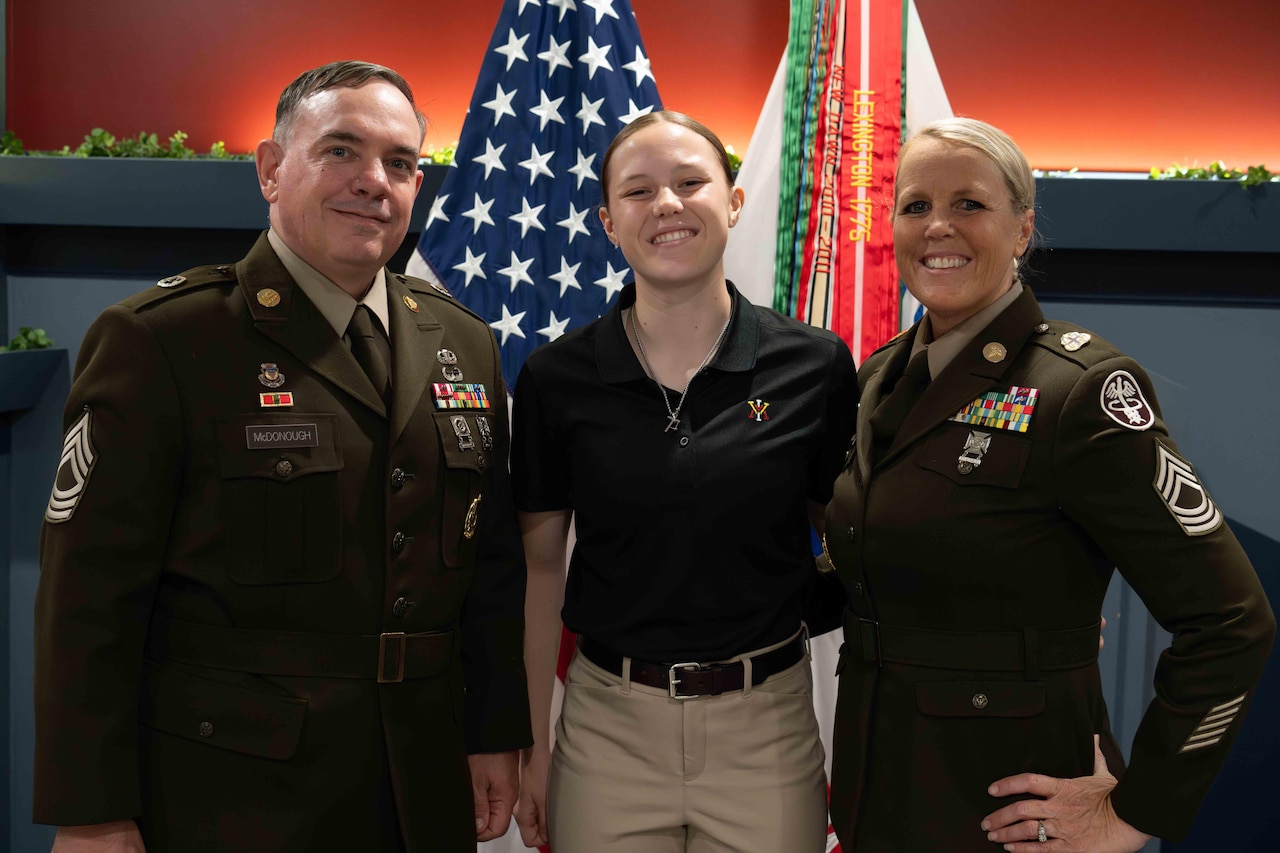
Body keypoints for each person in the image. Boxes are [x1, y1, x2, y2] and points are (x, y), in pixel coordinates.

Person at [32, 60, 531, 853]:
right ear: (271, 169)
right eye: (341, 150)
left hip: (422, 782)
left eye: (401, 163)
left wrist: (494, 731)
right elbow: (88, 600)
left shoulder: (463, 341)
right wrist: (91, 810)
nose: (375, 181)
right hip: (235, 791)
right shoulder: (164, 338)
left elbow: (492, 567)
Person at [823, 117, 1275, 851]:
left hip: (1010, 808)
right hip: (879, 791)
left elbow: (1233, 621)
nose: (938, 226)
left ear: (1023, 229)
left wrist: (1138, 808)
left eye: (969, 203)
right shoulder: (880, 375)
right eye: (915, 205)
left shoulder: (1080, 388)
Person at [510, 111, 857, 853]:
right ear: (608, 221)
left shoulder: (815, 366)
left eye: (690, 182)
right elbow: (539, 572)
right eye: (638, 191)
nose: (666, 204)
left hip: (765, 727)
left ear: (733, 202)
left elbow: (856, 542)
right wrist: (533, 742)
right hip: (608, 728)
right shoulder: (556, 378)